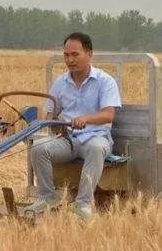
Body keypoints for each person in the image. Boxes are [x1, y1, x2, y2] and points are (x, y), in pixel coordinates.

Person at [24, 32, 121, 220]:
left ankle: (83, 204)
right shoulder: (60, 83)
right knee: (38, 148)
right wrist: (51, 124)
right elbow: (50, 113)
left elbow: (108, 114)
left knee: (95, 148)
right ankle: (47, 197)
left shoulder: (105, 81)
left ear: (89, 54)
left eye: (75, 55)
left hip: (96, 137)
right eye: (66, 55)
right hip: (69, 140)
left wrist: (85, 119)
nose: (70, 60)